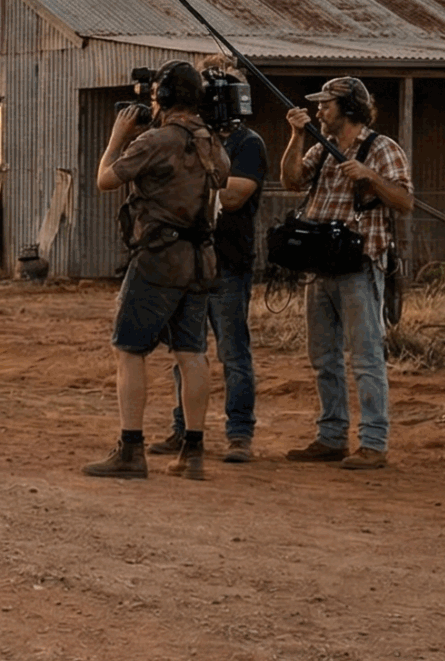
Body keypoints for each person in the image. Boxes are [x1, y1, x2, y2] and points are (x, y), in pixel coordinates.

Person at [84, 61, 230, 480]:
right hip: (201, 259)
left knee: (129, 350)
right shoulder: (211, 142)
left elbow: (106, 180)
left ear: (163, 97)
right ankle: (194, 451)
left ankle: (131, 448)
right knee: (191, 353)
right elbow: (223, 178)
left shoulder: (156, 141)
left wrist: (116, 138)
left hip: (159, 256)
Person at [278, 76, 413, 470]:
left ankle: (374, 442)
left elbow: (404, 201)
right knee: (324, 357)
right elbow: (290, 181)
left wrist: (371, 178)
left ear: (349, 107)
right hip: (319, 267)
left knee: (366, 357)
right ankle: (331, 436)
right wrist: (296, 137)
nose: (319, 111)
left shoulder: (382, 148)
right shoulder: (322, 149)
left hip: (359, 265)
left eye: (326, 105)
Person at [152, 56, 267, 463]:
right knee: (186, 351)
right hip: (190, 262)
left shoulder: (247, 143)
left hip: (228, 262)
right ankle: (183, 429)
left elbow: (233, 196)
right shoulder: (189, 137)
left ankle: (240, 434)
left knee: (233, 352)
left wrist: (187, 186)